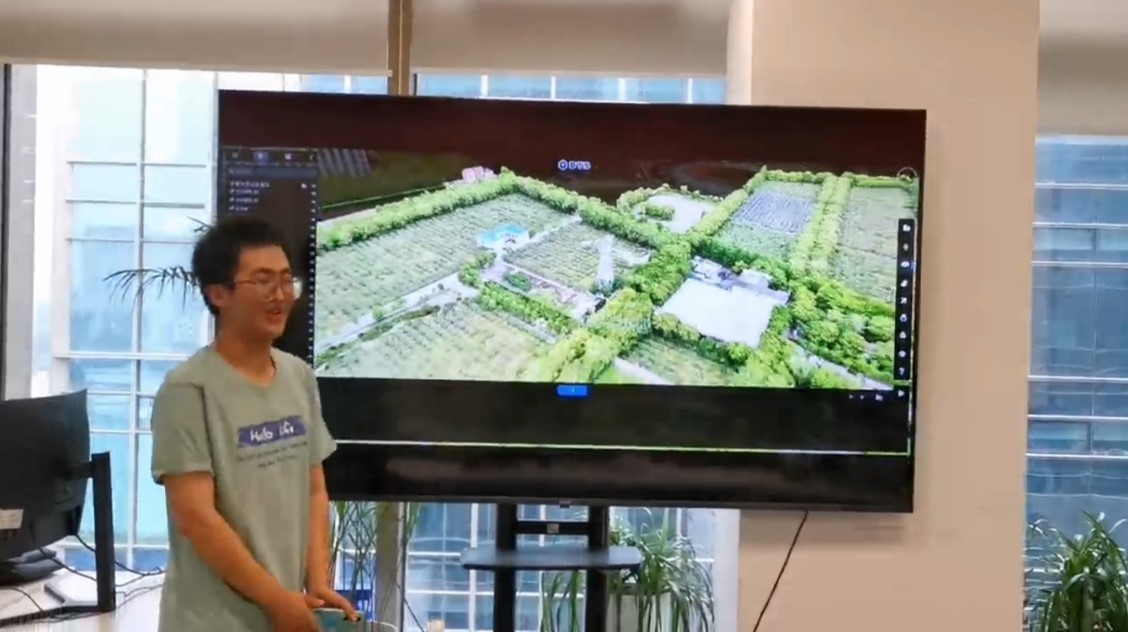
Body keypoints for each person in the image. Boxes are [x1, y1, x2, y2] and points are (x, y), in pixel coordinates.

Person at [150, 215, 355, 631]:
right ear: (218, 293)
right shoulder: (188, 389)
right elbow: (197, 519)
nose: (279, 295)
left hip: (284, 613)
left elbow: (314, 489)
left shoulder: (298, 376)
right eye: (262, 281)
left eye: (285, 280)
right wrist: (278, 602)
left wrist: (317, 581)